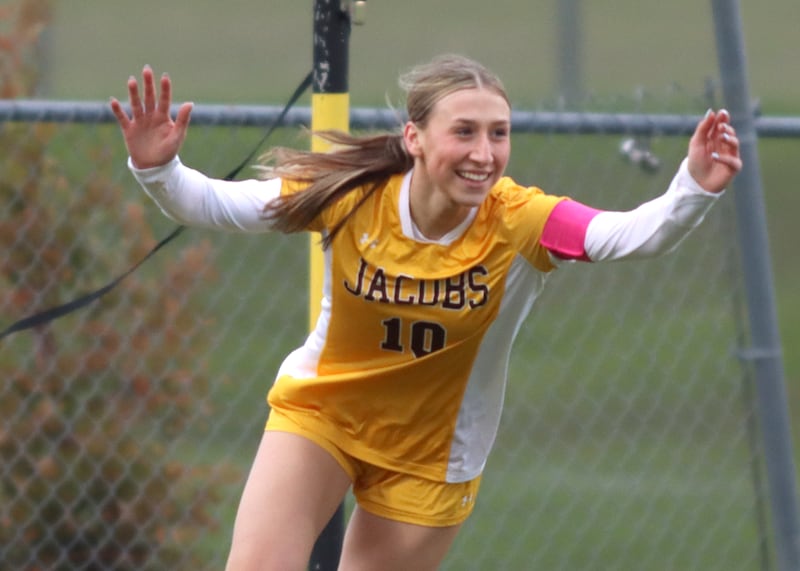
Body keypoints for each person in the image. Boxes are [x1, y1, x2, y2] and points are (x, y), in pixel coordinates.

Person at [110, 54, 742, 571]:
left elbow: (629, 235)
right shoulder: (354, 197)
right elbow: (216, 204)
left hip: (433, 457)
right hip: (323, 414)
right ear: (414, 138)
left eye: (499, 133)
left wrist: (691, 185)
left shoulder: (521, 218)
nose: (484, 153)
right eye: (463, 131)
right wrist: (157, 166)